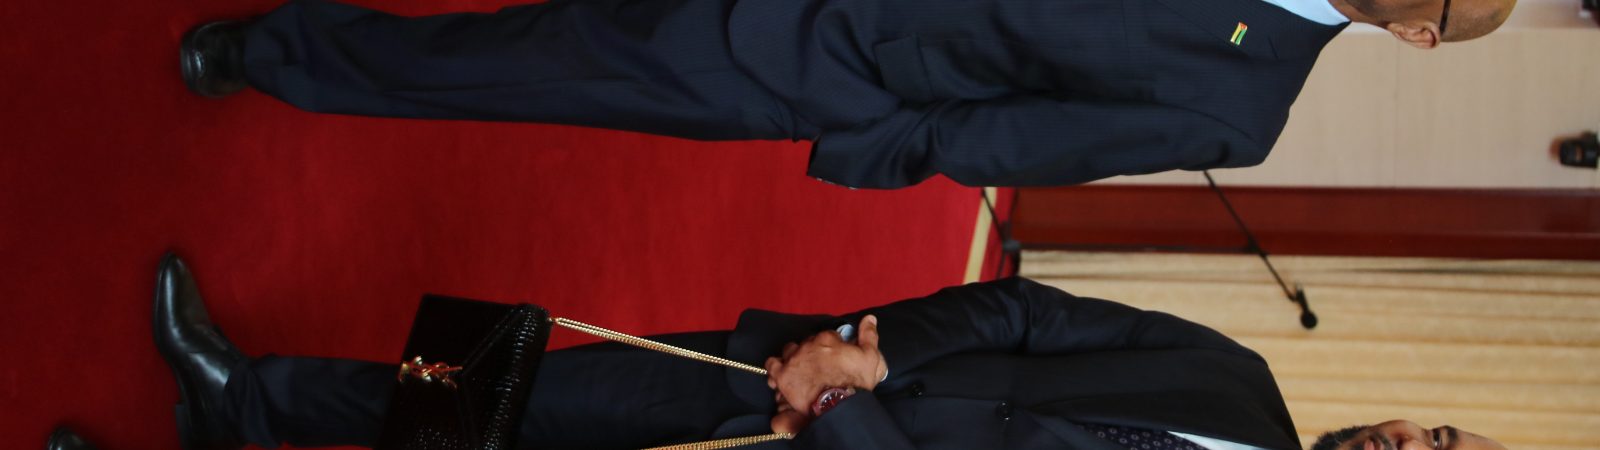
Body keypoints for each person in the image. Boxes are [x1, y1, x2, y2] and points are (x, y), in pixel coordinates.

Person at [151, 253, 1511, 449]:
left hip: (826, 437)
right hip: (790, 379)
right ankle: (252, 397)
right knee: (533, 390)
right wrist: (865, 358)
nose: (1408, 442)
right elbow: (1033, 313)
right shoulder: (1239, 380)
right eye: (1439, 434)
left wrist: (847, 425)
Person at [178, 0, 1515, 189]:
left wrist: (861, 121)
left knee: (542, 62)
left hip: (829, 50)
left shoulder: (1241, 108)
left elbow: (1018, 139)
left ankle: (282, 55)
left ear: (1419, 35)